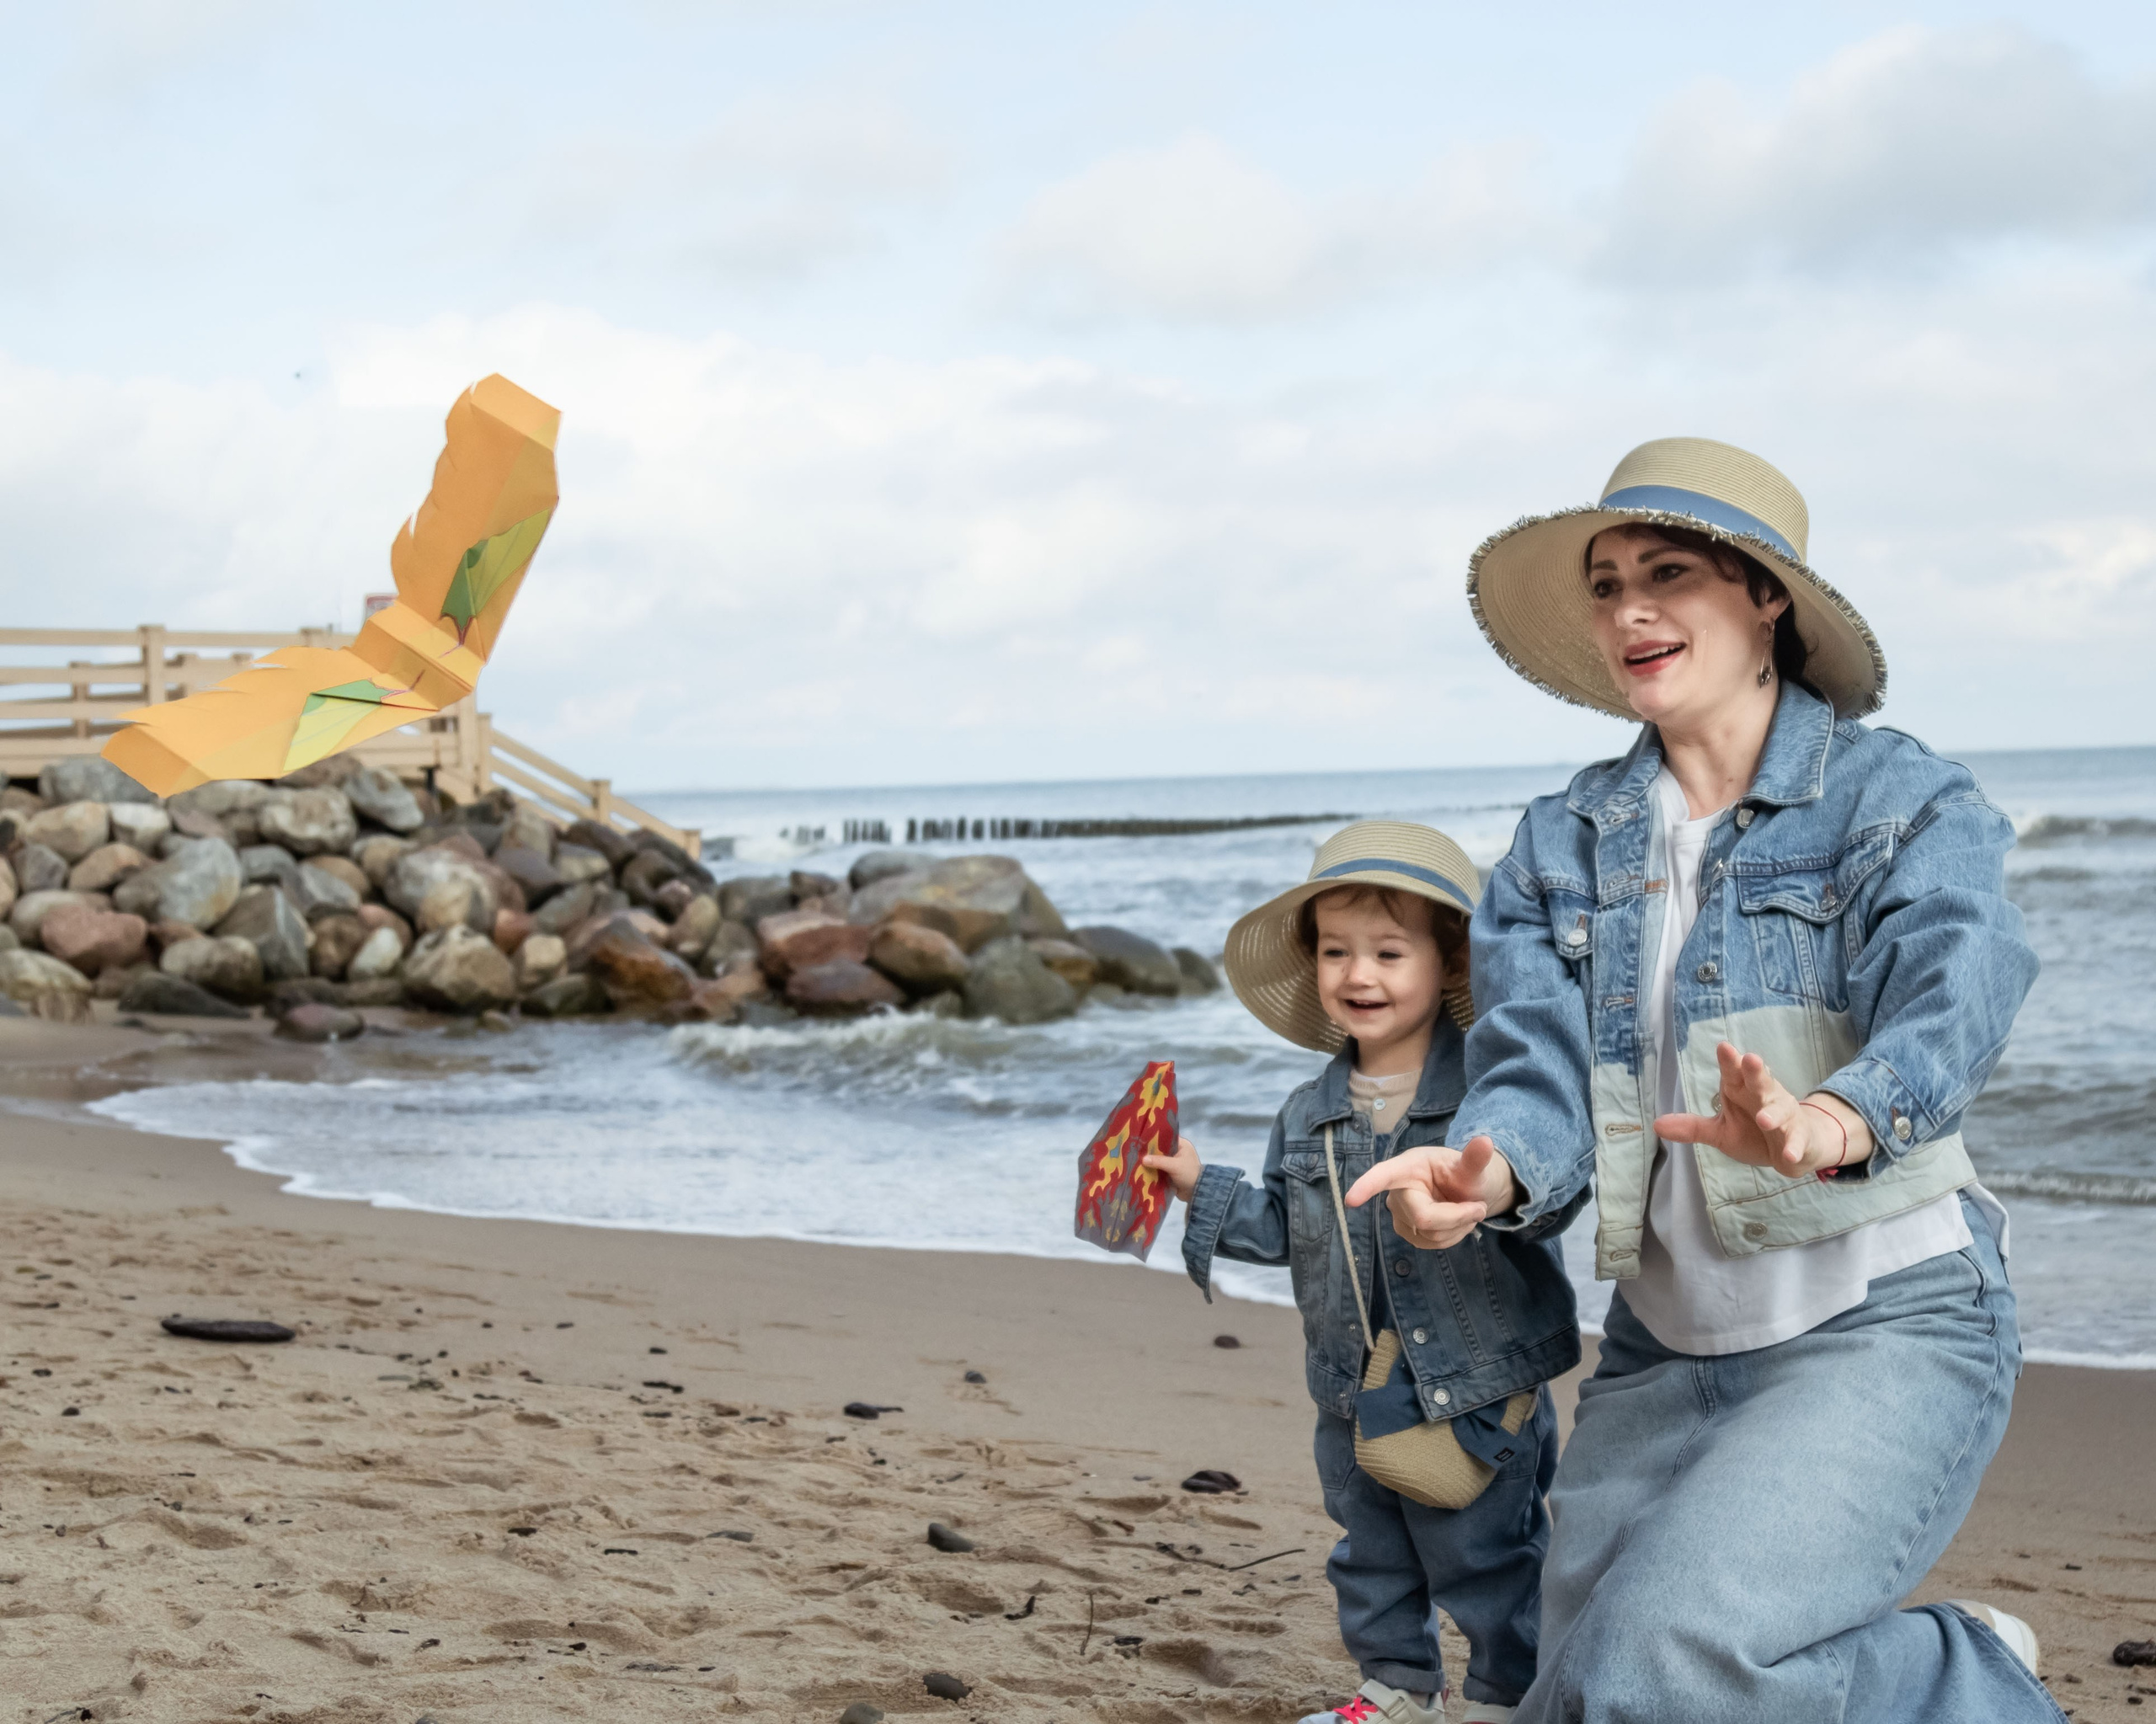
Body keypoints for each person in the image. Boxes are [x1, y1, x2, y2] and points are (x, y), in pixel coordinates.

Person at [1348, 438, 2062, 1721]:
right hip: (1659, 1351)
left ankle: (1968, 1670)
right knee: (1578, 1701)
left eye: (1668, 572)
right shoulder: (1557, 843)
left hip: (1887, 1321)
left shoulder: (1896, 796)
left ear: (1766, 597)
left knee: (1658, 1670)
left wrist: (1833, 1117)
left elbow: (1964, 975)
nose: (1630, 609)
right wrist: (1488, 1166)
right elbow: (1533, 1069)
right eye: (1608, 581)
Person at [1145, 821, 1581, 1724]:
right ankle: (1396, 1686)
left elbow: (1552, 1189)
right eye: (1336, 951)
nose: (1360, 974)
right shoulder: (1307, 1113)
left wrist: (1487, 1191)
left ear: (1451, 961)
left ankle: (1507, 1693)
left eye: (1389, 950)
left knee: (1489, 1551)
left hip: (1470, 1385)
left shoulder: (1492, 1098)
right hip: (1349, 1386)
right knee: (1370, 1547)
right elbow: (1284, 1229)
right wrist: (1198, 1186)